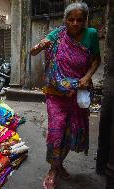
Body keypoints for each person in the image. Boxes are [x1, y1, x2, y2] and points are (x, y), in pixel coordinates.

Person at [30, 2, 101, 189]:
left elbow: (96, 60)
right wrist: (39, 46)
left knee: (71, 133)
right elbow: (39, 47)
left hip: (78, 93)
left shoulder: (91, 35)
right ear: (65, 20)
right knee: (56, 131)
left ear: (85, 20)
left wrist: (87, 77)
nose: (75, 23)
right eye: (71, 19)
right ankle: (52, 170)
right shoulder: (59, 33)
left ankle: (58, 164)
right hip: (55, 93)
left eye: (80, 19)